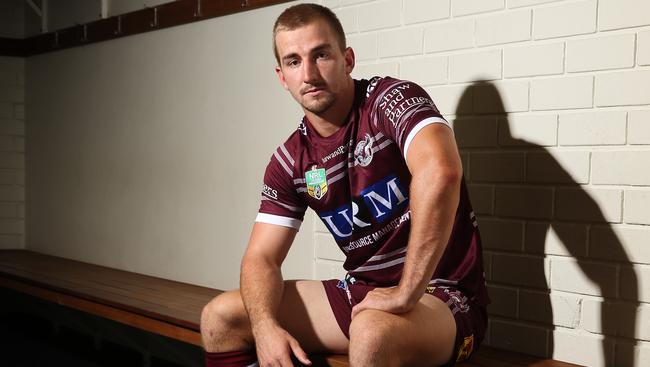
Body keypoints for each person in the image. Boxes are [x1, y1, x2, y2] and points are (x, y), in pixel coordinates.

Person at [200, 3, 489, 366]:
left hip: (443, 296)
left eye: (320, 55)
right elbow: (261, 258)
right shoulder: (291, 160)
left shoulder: (389, 101)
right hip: (366, 294)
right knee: (220, 318)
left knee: (370, 333)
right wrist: (264, 326)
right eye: (293, 61)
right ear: (281, 76)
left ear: (347, 59)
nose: (308, 73)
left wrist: (404, 293)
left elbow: (441, 172)